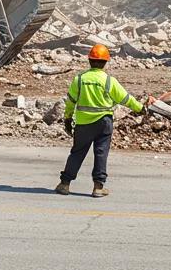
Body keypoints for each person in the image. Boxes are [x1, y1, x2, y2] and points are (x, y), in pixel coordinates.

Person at [55, 44, 151, 198]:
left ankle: (64, 184)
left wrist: (67, 118)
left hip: (83, 124)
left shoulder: (79, 79)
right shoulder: (108, 81)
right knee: (101, 153)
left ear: (89, 60)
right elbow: (125, 98)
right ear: (105, 62)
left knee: (77, 153)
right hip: (104, 123)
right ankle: (98, 187)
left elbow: (71, 101)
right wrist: (140, 108)